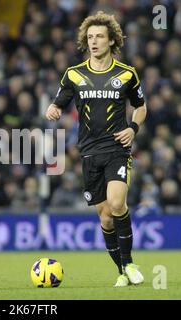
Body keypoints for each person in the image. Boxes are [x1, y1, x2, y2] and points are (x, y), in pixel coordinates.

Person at [46, 11, 147, 287]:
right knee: (105, 217)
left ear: (112, 40)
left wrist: (133, 129)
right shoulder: (74, 75)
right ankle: (121, 272)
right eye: (90, 37)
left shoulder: (126, 74)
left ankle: (129, 263)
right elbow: (59, 102)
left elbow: (140, 107)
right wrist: (53, 108)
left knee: (117, 204)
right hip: (89, 153)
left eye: (99, 36)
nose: (94, 41)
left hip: (117, 149)